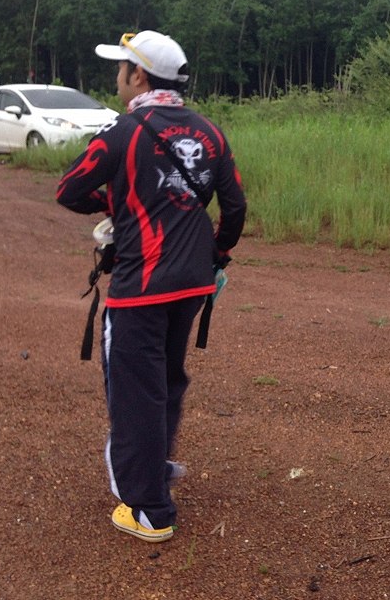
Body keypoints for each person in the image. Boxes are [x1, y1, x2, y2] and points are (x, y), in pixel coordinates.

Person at [57, 30, 247, 543]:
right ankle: (154, 467)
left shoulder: (123, 131)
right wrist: (218, 256)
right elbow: (235, 209)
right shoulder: (211, 133)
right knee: (165, 380)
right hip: (192, 287)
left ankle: (148, 510)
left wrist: (110, 206)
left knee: (135, 392)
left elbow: (68, 189)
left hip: (139, 289)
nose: (117, 77)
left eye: (121, 68)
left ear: (138, 76)